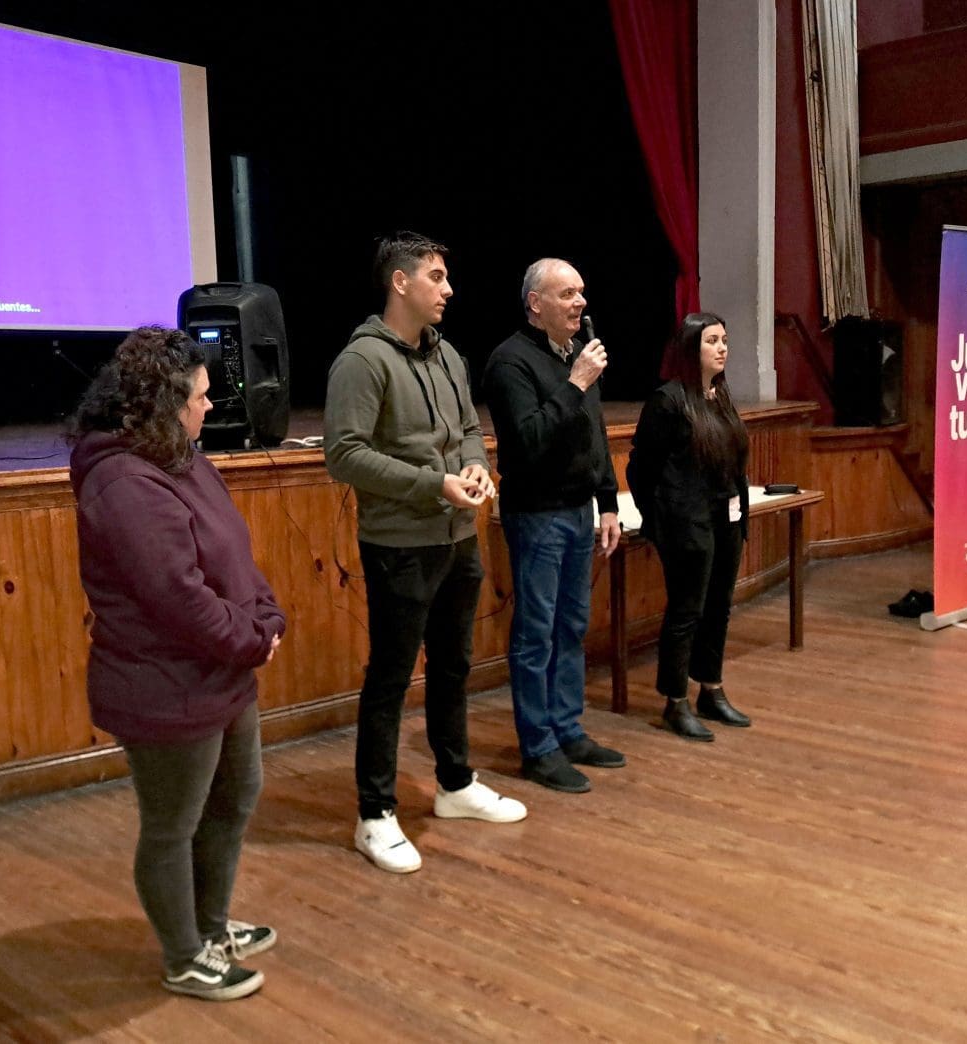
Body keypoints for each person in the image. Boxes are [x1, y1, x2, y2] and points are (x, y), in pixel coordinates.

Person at [69, 326, 285, 1001]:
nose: (209, 407)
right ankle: (185, 954)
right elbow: (178, 599)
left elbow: (232, 559)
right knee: (173, 826)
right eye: (200, 396)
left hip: (219, 673)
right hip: (163, 684)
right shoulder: (123, 482)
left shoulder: (180, 458)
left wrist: (266, 616)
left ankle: (213, 926)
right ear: (166, 404)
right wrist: (252, 641)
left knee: (235, 797)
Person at [324, 232, 527, 874]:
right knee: (389, 678)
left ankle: (455, 784)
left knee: (453, 667)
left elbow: (468, 429)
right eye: (436, 277)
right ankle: (375, 815)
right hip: (399, 545)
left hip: (457, 538)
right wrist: (431, 483)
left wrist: (473, 470)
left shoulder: (449, 357)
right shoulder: (362, 361)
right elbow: (345, 454)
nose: (448, 289)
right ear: (400, 283)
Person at [483, 258, 625, 794]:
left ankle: (568, 729)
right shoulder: (510, 363)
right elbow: (526, 442)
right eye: (567, 294)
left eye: (582, 293)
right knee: (536, 633)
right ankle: (538, 746)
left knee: (572, 626)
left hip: (578, 511)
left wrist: (608, 501)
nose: (580, 304)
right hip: (537, 515)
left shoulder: (577, 354)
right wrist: (576, 382)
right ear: (535, 304)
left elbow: (593, 432)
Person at [625, 312, 752, 741]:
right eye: (712, 341)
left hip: (727, 518)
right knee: (687, 611)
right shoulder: (669, 400)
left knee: (719, 606)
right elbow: (640, 468)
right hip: (687, 525)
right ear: (690, 348)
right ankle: (674, 700)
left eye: (725, 340)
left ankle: (710, 689)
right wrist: (659, 521)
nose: (722, 348)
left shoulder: (720, 393)